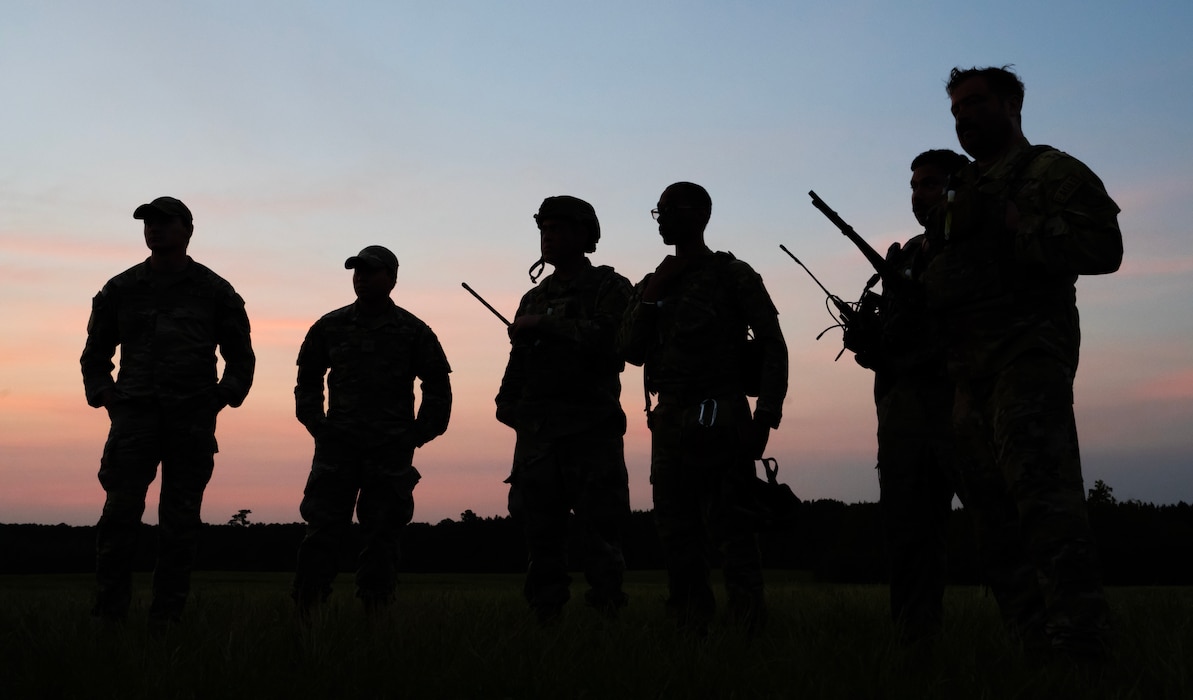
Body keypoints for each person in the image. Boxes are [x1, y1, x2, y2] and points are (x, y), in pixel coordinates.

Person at [921, 66, 1123, 659]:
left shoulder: (1049, 173)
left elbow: (1104, 249)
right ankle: (1032, 649)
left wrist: (1018, 226)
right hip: (967, 376)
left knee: (1047, 507)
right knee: (993, 522)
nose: (964, 117)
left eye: (977, 103)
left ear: (1012, 105)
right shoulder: (958, 192)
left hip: (1027, 361)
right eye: (956, 109)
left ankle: (1082, 649)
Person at [618, 182, 788, 633]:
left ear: (703, 214)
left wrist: (766, 417)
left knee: (734, 532)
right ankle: (690, 629)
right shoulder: (650, 282)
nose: (664, 217)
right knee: (676, 534)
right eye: (659, 210)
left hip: (722, 416)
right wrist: (653, 294)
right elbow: (630, 351)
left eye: (673, 208)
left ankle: (748, 631)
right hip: (669, 422)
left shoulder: (733, 275)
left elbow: (772, 345)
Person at [80, 196, 256, 625]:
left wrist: (221, 396)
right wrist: (107, 395)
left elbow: (241, 358)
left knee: (179, 525)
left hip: (191, 422)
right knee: (119, 518)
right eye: (148, 223)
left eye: (164, 222)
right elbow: (95, 355)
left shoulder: (215, 291)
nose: (153, 229)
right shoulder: (120, 290)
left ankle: (166, 622)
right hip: (134, 420)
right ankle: (109, 620)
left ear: (187, 230)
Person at [845, 149, 970, 643]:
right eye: (915, 186)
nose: (920, 194)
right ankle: (915, 647)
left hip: (966, 409)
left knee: (1005, 527)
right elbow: (893, 343)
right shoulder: (908, 254)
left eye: (932, 184)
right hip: (903, 419)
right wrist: (870, 342)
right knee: (908, 536)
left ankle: (1045, 646)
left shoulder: (982, 243)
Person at [292, 245, 452, 616]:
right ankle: (306, 617)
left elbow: (437, 385)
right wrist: (318, 425)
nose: (361, 276)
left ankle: (375, 619)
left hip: (390, 453)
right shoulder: (329, 326)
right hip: (337, 450)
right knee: (322, 534)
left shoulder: (414, 331)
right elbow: (307, 378)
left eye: (370, 271)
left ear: (392, 278)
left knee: (382, 537)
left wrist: (418, 433)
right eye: (356, 270)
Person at [495, 196, 633, 621]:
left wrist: (545, 326)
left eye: (558, 228)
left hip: (591, 431)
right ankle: (545, 620)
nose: (548, 236)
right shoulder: (533, 297)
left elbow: (616, 343)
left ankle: (608, 619)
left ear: (585, 235)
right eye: (543, 229)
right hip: (538, 435)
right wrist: (507, 402)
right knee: (540, 534)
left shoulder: (611, 288)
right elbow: (518, 359)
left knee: (600, 532)